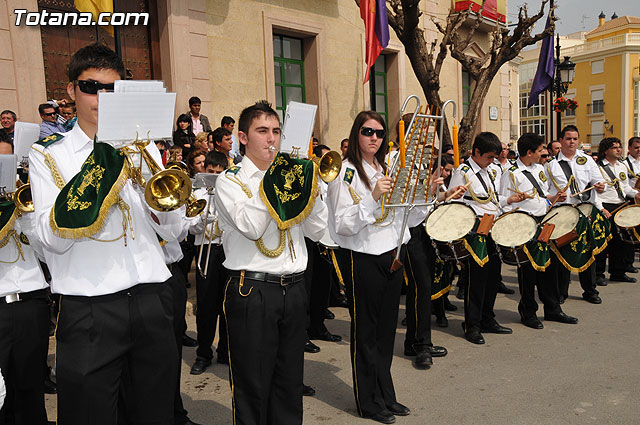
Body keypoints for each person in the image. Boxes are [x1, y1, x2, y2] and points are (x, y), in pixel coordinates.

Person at [28, 43, 182, 424]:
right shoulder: (50, 155)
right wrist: (101, 170)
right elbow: (49, 240)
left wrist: (152, 181)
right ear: (71, 92)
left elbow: (175, 230)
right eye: (91, 87)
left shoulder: (143, 148)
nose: (102, 97)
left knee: (155, 413)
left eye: (112, 89)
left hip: (151, 298)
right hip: (89, 306)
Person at [214, 100, 327, 425]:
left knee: (289, 383)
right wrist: (278, 180)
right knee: (253, 386)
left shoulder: (290, 176)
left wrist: (312, 190)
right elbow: (251, 226)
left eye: (276, 131)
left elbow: (321, 232)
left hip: (293, 289)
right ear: (243, 137)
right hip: (252, 290)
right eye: (262, 131)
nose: (272, 139)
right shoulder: (230, 181)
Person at [327, 111, 433, 424]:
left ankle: (385, 394)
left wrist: (427, 195)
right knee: (366, 332)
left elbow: (407, 219)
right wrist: (372, 198)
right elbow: (342, 225)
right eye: (367, 131)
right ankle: (368, 401)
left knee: (387, 331)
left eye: (379, 132)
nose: (374, 137)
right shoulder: (345, 172)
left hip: (393, 253)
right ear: (356, 134)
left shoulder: (387, 167)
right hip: (363, 256)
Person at [499, 133, 578, 329]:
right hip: (525, 224)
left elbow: (541, 195)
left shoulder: (539, 169)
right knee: (528, 272)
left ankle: (552, 309)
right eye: (540, 150)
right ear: (529, 152)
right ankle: (528, 312)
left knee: (549, 267)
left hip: (544, 221)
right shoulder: (511, 173)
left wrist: (553, 198)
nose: (544, 153)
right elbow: (504, 202)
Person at [449, 132, 520, 345]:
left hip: (493, 228)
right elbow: (455, 203)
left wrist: (508, 200)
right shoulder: (463, 171)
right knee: (476, 280)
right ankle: (472, 324)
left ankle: (488, 318)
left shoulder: (491, 171)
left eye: (494, 158)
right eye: (489, 157)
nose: (492, 161)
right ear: (476, 152)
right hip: (474, 231)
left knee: (492, 278)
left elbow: (492, 201)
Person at [0, 178, 50, 424]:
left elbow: (48, 252)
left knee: (31, 387)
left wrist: (26, 215)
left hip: (31, 303)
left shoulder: (26, 202)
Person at [545, 125, 606, 305]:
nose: (572, 142)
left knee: (588, 251)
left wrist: (601, 186)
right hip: (564, 213)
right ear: (561, 141)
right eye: (568, 138)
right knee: (564, 252)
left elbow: (599, 182)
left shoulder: (587, 160)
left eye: (575, 138)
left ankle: (590, 290)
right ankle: (561, 291)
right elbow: (545, 191)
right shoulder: (551, 164)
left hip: (585, 210)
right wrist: (554, 197)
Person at [190, 150, 229, 375]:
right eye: (211, 172)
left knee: (227, 304)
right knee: (206, 305)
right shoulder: (198, 194)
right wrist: (204, 221)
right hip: (206, 249)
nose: (214, 175)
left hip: (226, 249)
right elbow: (190, 226)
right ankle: (203, 353)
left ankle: (224, 350)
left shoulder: (230, 192)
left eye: (218, 172)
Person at [594, 137, 640, 283]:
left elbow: (625, 187)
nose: (619, 150)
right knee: (603, 242)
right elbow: (594, 192)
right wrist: (601, 208)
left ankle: (618, 272)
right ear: (606, 150)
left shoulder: (621, 166)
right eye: (615, 147)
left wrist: (636, 193)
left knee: (620, 241)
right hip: (605, 206)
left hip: (620, 204)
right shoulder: (598, 167)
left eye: (619, 147)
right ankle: (598, 274)